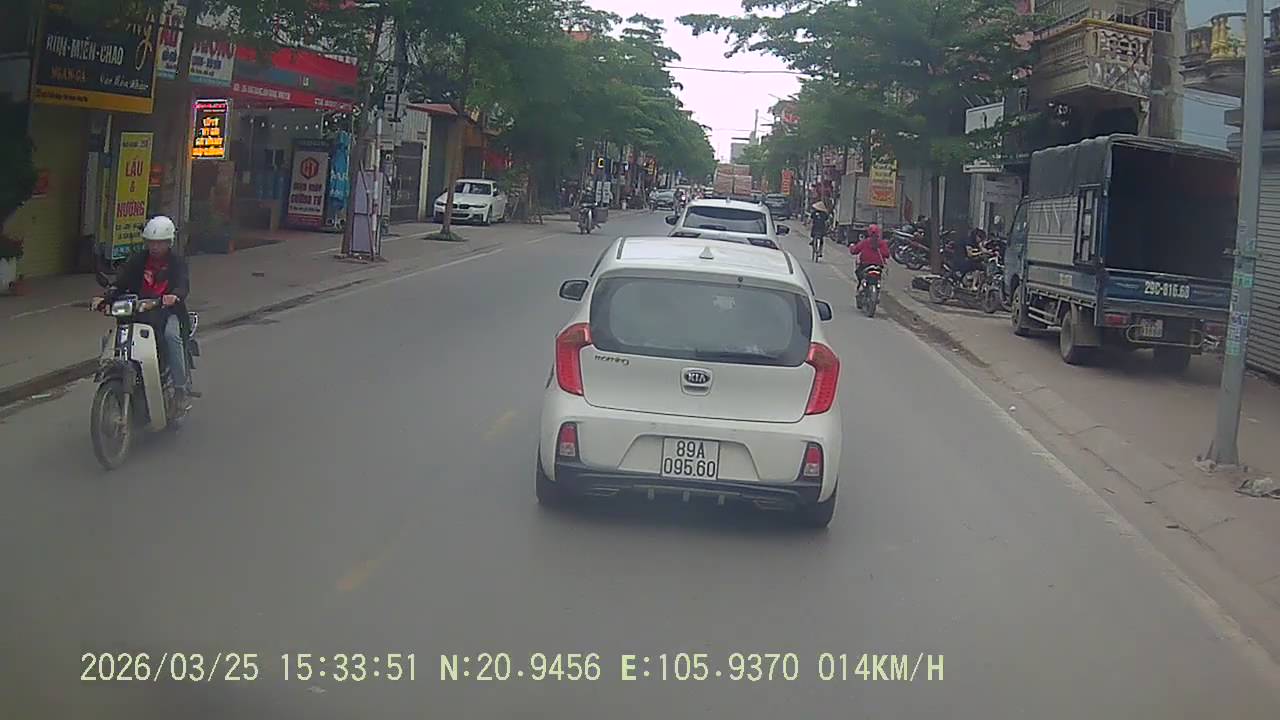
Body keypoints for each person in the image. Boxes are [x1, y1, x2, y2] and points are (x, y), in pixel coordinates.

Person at [105, 215, 193, 400]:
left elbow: (183, 284)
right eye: (151, 242)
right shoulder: (138, 260)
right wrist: (106, 296)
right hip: (140, 312)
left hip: (168, 312)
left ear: (168, 242)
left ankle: (180, 388)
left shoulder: (177, 262)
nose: (155, 247)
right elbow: (122, 281)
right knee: (113, 336)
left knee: (171, 337)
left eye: (160, 243)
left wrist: (174, 296)